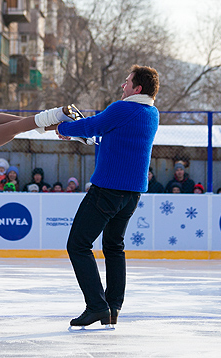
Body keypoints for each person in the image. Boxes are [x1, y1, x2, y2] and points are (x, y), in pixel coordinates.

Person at [56, 65, 159, 327]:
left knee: (78, 244)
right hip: (132, 194)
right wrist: (90, 135)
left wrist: (65, 129)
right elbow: (116, 137)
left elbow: (95, 124)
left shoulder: (122, 108)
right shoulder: (151, 113)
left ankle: (97, 306)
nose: (122, 86)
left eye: (127, 82)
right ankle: (113, 307)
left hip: (108, 190)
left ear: (137, 88)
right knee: (114, 247)